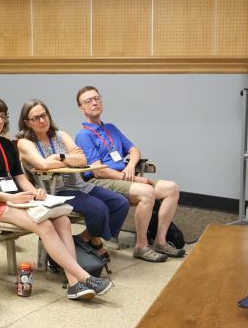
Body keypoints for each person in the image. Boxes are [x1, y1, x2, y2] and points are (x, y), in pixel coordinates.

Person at [0, 96, 112, 301]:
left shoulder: (7, 144)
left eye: (2, 116)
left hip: (19, 199)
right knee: (45, 225)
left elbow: (20, 178)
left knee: (63, 220)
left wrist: (35, 192)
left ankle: (73, 284)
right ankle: (83, 278)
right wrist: (11, 198)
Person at [73, 86, 184, 263]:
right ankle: (141, 246)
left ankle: (160, 241)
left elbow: (134, 150)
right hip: (102, 180)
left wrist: (131, 166)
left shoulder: (111, 129)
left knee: (172, 188)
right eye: (88, 101)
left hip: (124, 177)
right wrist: (130, 177)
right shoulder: (84, 135)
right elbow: (98, 170)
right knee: (147, 192)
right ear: (81, 108)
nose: (94, 103)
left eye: (97, 98)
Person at [16, 98, 129, 261]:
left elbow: (83, 160)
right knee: (99, 209)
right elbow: (42, 164)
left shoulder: (60, 135)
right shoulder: (25, 142)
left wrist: (60, 157)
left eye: (44, 115)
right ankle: (95, 242)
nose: (42, 120)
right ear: (27, 122)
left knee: (121, 203)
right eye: (36, 118)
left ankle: (84, 239)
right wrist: (68, 159)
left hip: (80, 185)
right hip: (56, 191)